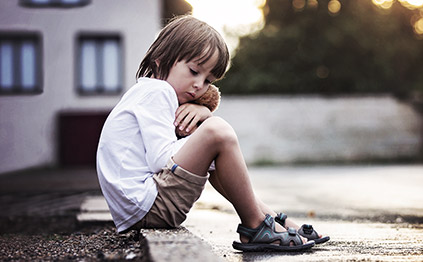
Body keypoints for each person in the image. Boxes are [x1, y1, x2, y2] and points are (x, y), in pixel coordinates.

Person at [96, 15, 328, 252]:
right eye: (194, 71)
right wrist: (205, 128)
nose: (199, 85)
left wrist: (201, 126)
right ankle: (256, 225)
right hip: (147, 205)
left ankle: (270, 218)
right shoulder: (158, 92)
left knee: (214, 144)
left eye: (208, 80)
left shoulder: (148, 92)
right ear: (161, 60)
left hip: (140, 209)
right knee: (218, 131)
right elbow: (160, 159)